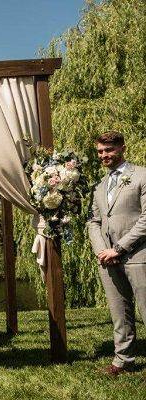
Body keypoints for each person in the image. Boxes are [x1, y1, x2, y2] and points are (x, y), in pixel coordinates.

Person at [87, 131, 146, 377]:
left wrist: (119, 247)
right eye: (100, 151)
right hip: (108, 259)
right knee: (118, 312)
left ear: (122, 148)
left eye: (109, 150)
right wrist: (102, 251)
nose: (104, 155)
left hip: (138, 255)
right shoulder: (99, 185)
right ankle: (123, 359)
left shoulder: (142, 175)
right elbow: (94, 221)